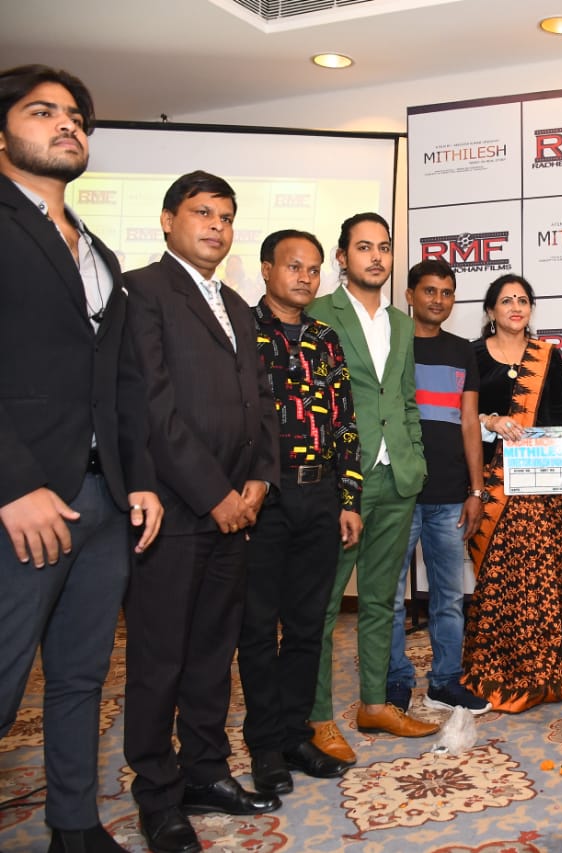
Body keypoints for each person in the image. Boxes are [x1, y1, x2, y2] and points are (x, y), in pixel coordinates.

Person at [0, 64, 161, 853]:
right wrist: (13, 483)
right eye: (43, 112)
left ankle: (75, 827)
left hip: (103, 500)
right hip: (22, 502)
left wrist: (143, 482)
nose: (67, 124)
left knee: (79, 677)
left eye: (76, 117)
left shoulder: (98, 250)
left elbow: (120, 382)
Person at [122, 171, 281, 853]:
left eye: (226, 216)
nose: (216, 226)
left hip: (237, 510)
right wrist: (214, 493)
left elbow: (261, 403)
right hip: (175, 510)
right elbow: (152, 407)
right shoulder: (142, 290)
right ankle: (157, 795)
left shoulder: (238, 305)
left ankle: (206, 771)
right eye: (202, 212)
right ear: (168, 220)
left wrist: (259, 480)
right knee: (160, 659)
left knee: (214, 653)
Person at [237, 230, 364, 799]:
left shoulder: (324, 338)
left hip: (319, 499)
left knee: (309, 626)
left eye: (313, 269)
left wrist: (349, 499)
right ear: (267, 269)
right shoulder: (240, 331)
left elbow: (344, 422)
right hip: (262, 500)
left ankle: (294, 736)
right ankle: (264, 745)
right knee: (258, 629)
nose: (305, 278)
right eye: (294, 266)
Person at [307, 213, 436, 764]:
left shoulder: (401, 323)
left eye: (383, 247)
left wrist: (416, 461)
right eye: (364, 247)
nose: (376, 257)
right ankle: (316, 717)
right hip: (341, 482)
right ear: (342, 257)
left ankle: (375, 704)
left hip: (397, 478)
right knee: (323, 604)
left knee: (382, 600)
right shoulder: (318, 314)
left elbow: (405, 400)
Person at [464, 273, 562, 712]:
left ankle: (539, 671)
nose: (516, 307)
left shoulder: (548, 356)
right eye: (506, 300)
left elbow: (560, 416)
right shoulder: (473, 355)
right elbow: (461, 417)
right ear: (490, 310)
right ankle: (493, 671)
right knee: (498, 579)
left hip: (538, 486)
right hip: (491, 487)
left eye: (523, 300)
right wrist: (490, 421)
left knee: (539, 580)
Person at [384, 259, 491, 715]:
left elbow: (469, 423)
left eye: (447, 293)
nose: (438, 300)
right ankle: (394, 680)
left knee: (448, 597)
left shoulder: (463, 350)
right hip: (398, 492)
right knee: (390, 598)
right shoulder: (389, 344)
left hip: (450, 496)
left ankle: (445, 681)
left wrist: (476, 490)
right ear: (410, 295)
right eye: (429, 291)